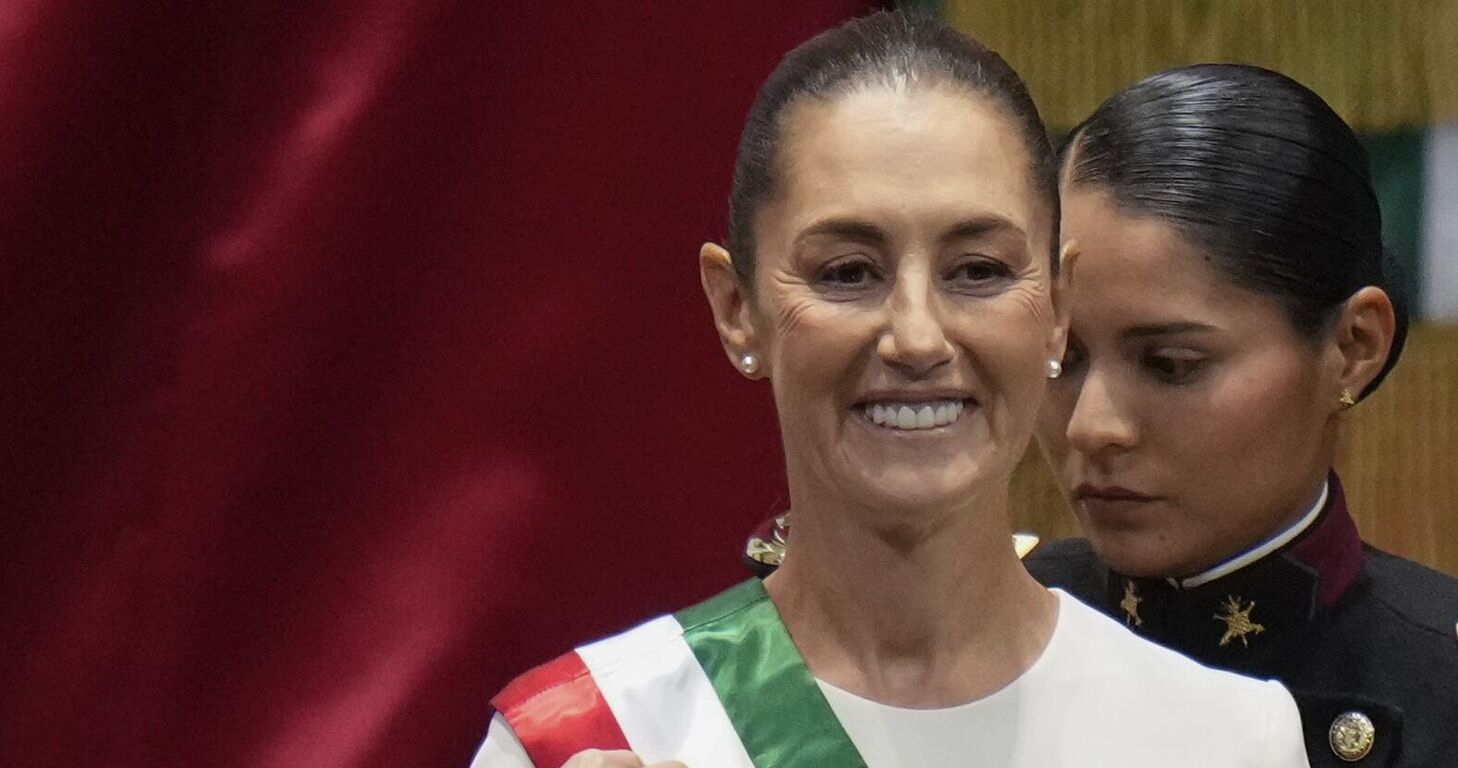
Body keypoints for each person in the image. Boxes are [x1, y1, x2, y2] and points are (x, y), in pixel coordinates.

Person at [470, 17, 1309, 768]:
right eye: (848, 273)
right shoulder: (594, 736)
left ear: (1057, 306)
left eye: (977, 271)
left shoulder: (1227, 740)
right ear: (738, 310)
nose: (916, 336)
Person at [1022, 63, 1458, 768]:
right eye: (1063, 356)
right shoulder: (960, 635)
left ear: (1354, 346)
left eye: (1172, 365)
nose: (1092, 426)